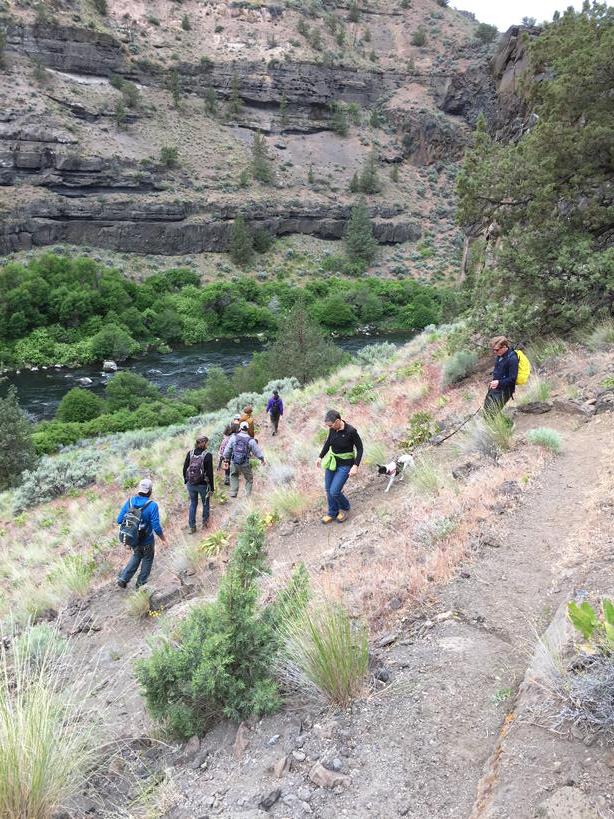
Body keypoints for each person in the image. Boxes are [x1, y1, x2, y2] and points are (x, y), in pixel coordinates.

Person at [117, 478, 165, 588]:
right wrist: (163, 539)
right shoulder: (152, 505)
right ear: (150, 491)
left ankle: (124, 578)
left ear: (139, 490)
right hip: (147, 540)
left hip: (133, 539)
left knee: (136, 555)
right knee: (147, 559)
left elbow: (119, 520)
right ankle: (140, 584)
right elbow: (156, 527)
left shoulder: (130, 501)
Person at [317, 409, 363, 524]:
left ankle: (345, 507)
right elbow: (328, 443)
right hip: (332, 462)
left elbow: (360, 448)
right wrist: (320, 457)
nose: (330, 427)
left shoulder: (351, 431)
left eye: (331, 425)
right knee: (328, 488)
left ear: (338, 421)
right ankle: (332, 512)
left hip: (345, 465)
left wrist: (355, 465)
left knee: (334, 491)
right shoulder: (332, 429)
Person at [223, 420, 266, 498]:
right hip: (245, 463)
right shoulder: (251, 440)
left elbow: (227, 451)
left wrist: (226, 459)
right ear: (248, 429)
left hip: (234, 461)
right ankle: (247, 495)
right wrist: (262, 459)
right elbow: (257, 452)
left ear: (240, 428)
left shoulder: (233, 437)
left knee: (233, 475)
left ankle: (233, 493)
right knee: (249, 479)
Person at [183, 434, 214, 533]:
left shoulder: (190, 453)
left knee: (193, 504)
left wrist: (186, 480)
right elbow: (210, 473)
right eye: (207, 443)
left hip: (191, 484)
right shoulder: (207, 455)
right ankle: (205, 524)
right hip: (203, 485)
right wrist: (211, 488)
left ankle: (192, 527)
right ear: (204, 443)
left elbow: (185, 468)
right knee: (205, 503)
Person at [483, 336, 519, 414]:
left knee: (491, 413)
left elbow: (513, 379)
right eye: (493, 350)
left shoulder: (512, 359)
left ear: (504, 346)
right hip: (495, 389)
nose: (495, 352)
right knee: (486, 411)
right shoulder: (500, 356)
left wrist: (499, 382)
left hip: (505, 390)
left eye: (497, 350)